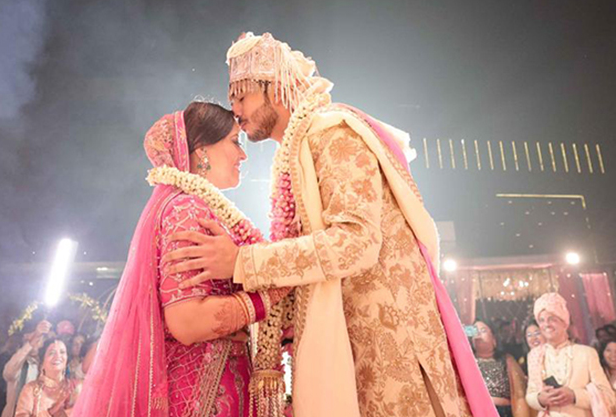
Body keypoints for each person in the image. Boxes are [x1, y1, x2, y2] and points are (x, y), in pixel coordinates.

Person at [163, 33, 496, 417]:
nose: (235, 109)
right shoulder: (296, 151)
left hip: (388, 344)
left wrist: (244, 262)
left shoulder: (333, 134)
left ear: (275, 87)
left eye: (242, 95)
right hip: (348, 342)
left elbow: (355, 242)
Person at [75, 102, 287, 417]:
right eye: (234, 141)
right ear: (202, 150)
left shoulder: (195, 206)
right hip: (201, 398)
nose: (243, 155)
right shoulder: (187, 209)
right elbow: (187, 321)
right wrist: (272, 293)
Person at [525, 292, 613, 417]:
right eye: (541, 320)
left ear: (564, 322)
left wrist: (574, 395)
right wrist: (540, 399)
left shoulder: (586, 353)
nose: (546, 324)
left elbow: (608, 397)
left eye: (552, 319)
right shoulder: (535, 356)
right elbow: (530, 394)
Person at [471, 320, 530, 417]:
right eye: (475, 331)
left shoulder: (507, 360)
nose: (478, 334)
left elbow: (520, 394)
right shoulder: (468, 363)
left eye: (483, 330)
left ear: (494, 338)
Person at [15, 338, 78, 417]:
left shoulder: (74, 388)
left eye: (62, 352)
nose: (58, 356)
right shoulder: (31, 389)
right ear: (42, 362)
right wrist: (51, 412)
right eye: (52, 353)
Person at [2, 321, 51, 417]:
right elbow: (8, 373)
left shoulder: (43, 366)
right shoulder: (19, 362)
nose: (37, 341)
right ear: (26, 338)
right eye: (35, 336)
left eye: (40, 338)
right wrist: (30, 344)